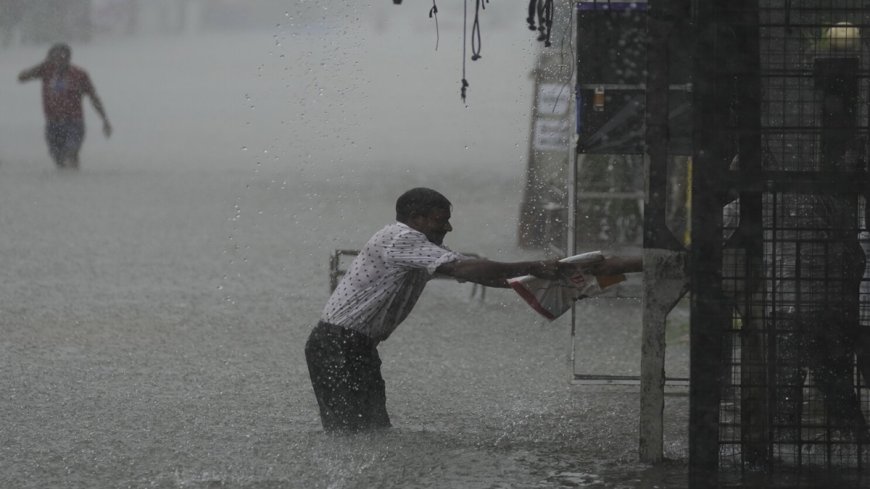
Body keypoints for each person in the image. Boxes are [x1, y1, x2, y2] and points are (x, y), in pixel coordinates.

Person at [304, 187, 643, 433]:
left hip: (354, 346)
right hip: (338, 345)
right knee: (349, 434)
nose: (448, 228)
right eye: (441, 222)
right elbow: (465, 269)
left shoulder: (419, 246)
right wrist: (534, 265)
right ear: (416, 218)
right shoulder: (400, 238)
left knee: (373, 430)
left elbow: (483, 275)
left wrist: (556, 280)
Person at [18, 43, 112, 169]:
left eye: (61, 57)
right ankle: (65, 184)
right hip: (53, 123)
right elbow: (22, 77)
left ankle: (74, 182)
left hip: (74, 123)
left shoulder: (79, 75)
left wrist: (104, 119)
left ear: (68, 58)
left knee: (71, 152)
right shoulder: (46, 70)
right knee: (58, 158)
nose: (58, 61)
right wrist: (43, 63)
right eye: (54, 58)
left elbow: (93, 97)